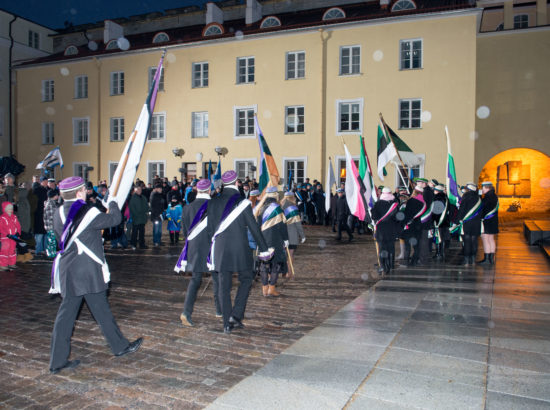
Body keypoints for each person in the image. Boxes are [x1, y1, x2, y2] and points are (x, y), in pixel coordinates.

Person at [49, 176, 142, 374]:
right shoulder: (88, 212)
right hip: (88, 271)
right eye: (84, 190)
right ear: (78, 193)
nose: (86, 192)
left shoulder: (58, 213)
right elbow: (115, 219)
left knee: (65, 318)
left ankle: (57, 361)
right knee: (101, 311)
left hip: (69, 271)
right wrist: (114, 202)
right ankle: (120, 347)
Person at [206, 170, 273, 334]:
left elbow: (210, 230)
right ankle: (236, 315)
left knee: (224, 286)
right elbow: (253, 228)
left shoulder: (213, 202)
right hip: (240, 250)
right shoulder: (242, 202)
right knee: (246, 279)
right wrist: (264, 249)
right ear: (237, 183)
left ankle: (226, 323)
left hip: (220, 250)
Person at [176, 179, 221, 326]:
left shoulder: (187, 208)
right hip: (210, 248)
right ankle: (219, 310)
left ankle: (186, 312)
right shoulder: (214, 206)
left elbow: (184, 231)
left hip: (194, 248)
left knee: (195, 280)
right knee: (217, 279)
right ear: (209, 191)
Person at [256, 186, 289, 297]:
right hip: (275, 240)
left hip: (263, 239)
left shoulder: (261, 208)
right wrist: (286, 239)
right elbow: (282, 226)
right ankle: (272, 289)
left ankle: (264, 288)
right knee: (275, 265)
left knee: (264, 264)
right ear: (275, 195)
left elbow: (257, 225)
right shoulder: (277, 208)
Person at [452, 182, 482, 266]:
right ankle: (472, 260)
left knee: (467, 241)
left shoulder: (466, 197)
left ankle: (466, 261)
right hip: (476, 223)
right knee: (474, 241)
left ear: (468, 189)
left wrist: (456, 222)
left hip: (467, 223)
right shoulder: (478, 198)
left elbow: (462, 210)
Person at [372, 187, 399, 273]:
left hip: (381, 231)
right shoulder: (395, 204)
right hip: (392, 230)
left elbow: (374, 217)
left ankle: (383, 266)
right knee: (391, 248)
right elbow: (398, 218)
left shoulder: (377, 204)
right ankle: (391, 266)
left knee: (382, 249)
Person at [281, 191, 305, 278]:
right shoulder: (293, 208)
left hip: (282, 234)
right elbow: (298, 223)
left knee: (283, 254)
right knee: (290, 254)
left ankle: (283, 271)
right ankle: (289, 272)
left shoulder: (280, 206)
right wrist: (302, 235)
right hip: (292, 234)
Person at [400, 186, 426, 266]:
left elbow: (407, 213)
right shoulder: (424, 202)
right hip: (418, 225)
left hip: (410, 225)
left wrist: (404, 222)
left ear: (415, 191)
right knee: (416, 245)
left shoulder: (411, 201)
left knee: (407, 244)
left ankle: (406, 261)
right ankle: (414, 261)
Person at [478, 181, 499, 265]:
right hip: (493, 221)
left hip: (486, 221)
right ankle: (491, 259)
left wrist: (480, 197)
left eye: (482, 188)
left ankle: (487, 259)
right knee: (491, 239)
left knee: (485, 239)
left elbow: (481, 207)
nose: (482, 189)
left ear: (487, 188)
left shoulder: (487, 197)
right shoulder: (494, 196)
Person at [0, 202, 21, 270]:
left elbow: (18, 226)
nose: (11, 210)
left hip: (13, 237)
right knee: (5, 251)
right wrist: (7, 234)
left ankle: (12, 263)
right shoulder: (2, 218)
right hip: (5, 238)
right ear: (5, 209)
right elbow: (1, 228)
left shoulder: (14, 217)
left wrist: (18, 233)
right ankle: (3, 264)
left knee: (12, 250)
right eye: (9, 209)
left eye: (11, 209)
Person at [432, 185, 450, 261]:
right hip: (445, 221)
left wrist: (434, 219)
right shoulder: (446, 198)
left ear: (437, 191)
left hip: (439, 221)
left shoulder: (437, 198)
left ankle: (438, 253)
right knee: (443, 237)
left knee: (438, 237)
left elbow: (436, 211)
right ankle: (442, 253)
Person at [32, 176, 48, 256]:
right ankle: (38, 251)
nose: (46, 182)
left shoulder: (48, 190)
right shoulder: (37, 190)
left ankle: (45, 250)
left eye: (46, 181)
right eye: (44, 181)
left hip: (45, 215)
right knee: (39, 235)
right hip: (38, 215)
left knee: (45, 235)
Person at [129, 185, 149, 250]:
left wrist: (146, 212)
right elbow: (132, 208)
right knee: (134, 232)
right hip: (136, 218)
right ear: (135, 190)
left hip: (142, 218)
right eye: (138, 189)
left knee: (142, 232)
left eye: (140, 189)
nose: (139, 191)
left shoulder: (143, 197)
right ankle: (133, 244)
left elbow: (146, 206)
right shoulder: (133, 198)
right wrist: (137, 215)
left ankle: (142, 244)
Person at [44, 189, 60, 258]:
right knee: (51, 241)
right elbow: (51, 216)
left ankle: (51, 253)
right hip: (51, 226)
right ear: (54, 196)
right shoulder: (51, 204)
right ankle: (51, 254)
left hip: (50, 226)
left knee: (52, 240)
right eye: (57, 195)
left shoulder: (52, 203)